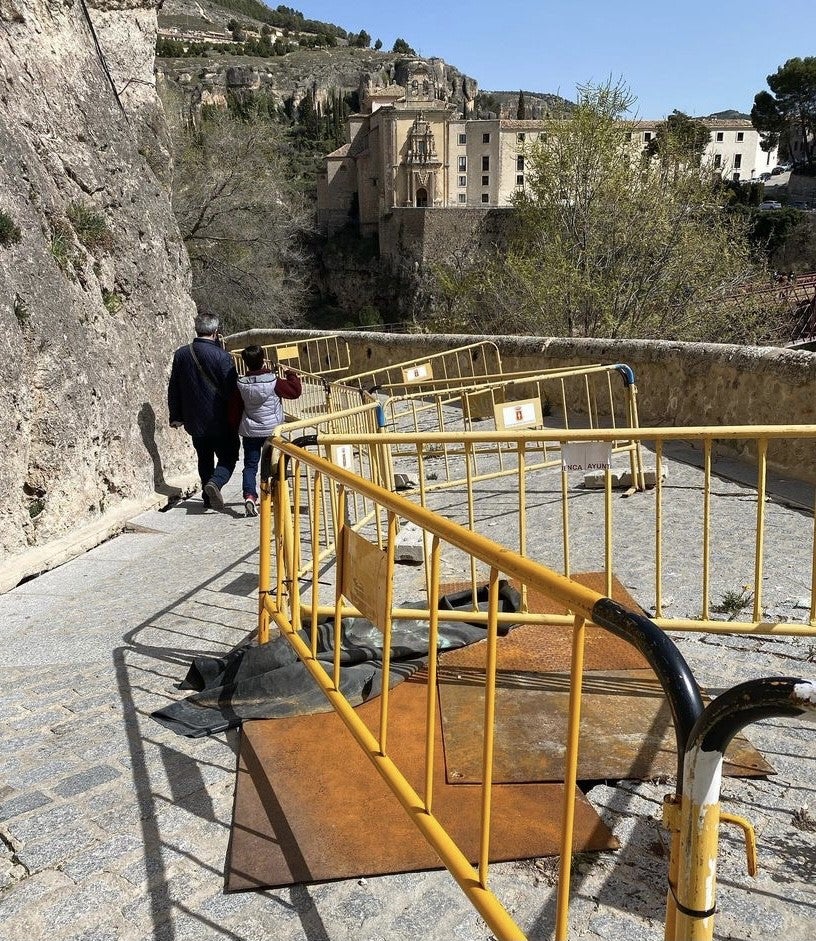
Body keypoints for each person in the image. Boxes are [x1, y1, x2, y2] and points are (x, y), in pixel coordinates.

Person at [168, 311, 239, 510]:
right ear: (216, 332)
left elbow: (174, 386)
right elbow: (232, 390)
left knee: (204, 457)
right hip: (220, 419)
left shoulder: (181, 353)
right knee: (229, 456)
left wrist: (176, 416)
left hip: (194, 419)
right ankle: (215, 484)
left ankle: (208, 499)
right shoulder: (222, 356)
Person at [234, 344, 302, 517]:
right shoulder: (273, 381)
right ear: (263, 360)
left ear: (246, 363)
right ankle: (276, 493)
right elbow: (295, 391)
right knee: (276, 462)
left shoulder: (240, 384)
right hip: (273, 430)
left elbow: (234, 407)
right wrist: (290, 374)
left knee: (250, 465)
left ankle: (250, 496)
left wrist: (233, 426)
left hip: (250, 431)